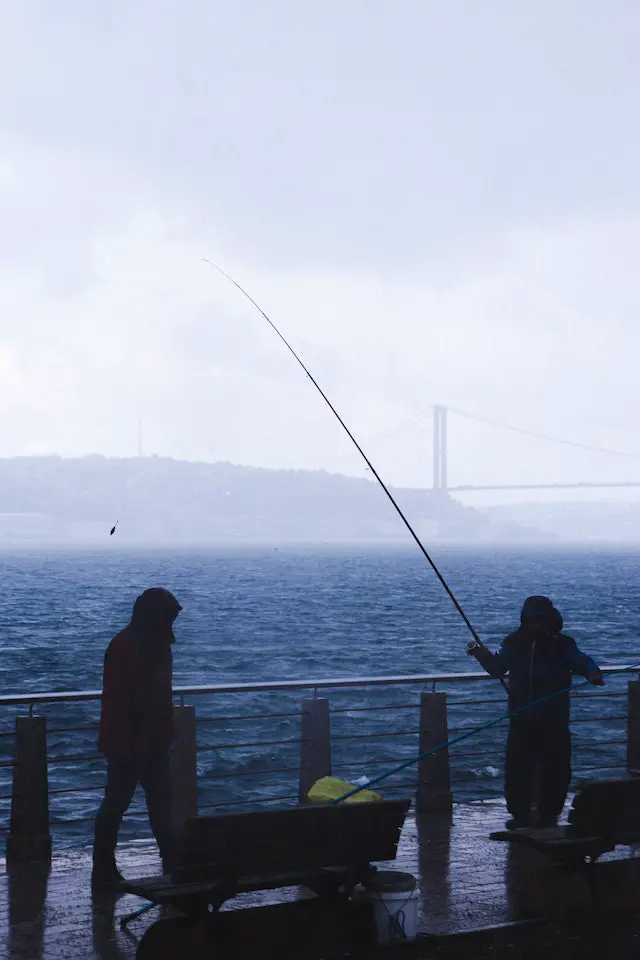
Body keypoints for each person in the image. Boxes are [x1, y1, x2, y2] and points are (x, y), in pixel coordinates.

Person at [467, 595, 603, 829]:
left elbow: (580, 660)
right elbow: (498, 668)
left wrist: (592, 672)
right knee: (517, 770)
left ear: (550, 619)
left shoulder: (563, 644)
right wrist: (480, 653)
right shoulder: (513, 643)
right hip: (521, 720)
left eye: (541, 620)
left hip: (554, 721)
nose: (537, 625)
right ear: (525, 620)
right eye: (533, 620)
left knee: (557, 771)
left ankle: (549, 816)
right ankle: (519, 816)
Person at [92, 587, 182, 889]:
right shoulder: (128, 647)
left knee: (152, 805)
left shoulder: (150, 644)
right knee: (119, 804)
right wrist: (122, 745)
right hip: (127, 745)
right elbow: (119, 701)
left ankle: (171, 862)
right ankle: (104, 867)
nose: (171, 623)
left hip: (151, 742)